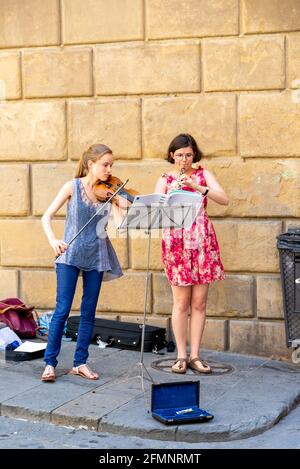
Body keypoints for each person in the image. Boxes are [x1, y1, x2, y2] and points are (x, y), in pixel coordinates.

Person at [41, 144, 123, 382]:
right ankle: (49, 363)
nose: (109, 169)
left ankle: (80, 363)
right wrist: (53, 240)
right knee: (62, 310)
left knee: (88, 312)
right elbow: (46, 217)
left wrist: (117, 202)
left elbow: (119, 227)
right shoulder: (72, 187)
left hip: (97, 255)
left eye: (111, 165)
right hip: (70, 254)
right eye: (105, 164)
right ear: (90, 165)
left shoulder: (109, 192)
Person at [155, 133, 228, 374]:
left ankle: (196, 355)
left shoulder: (203, 174)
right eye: (179, 155)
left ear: (193, 154)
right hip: (176, 244)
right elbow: (155, 211)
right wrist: (170, 195)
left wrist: (196, 186)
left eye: (188, 155)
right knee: (181, 303)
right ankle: (181, 355)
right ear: (171, 156)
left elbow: (224, 199)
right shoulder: (164, 179)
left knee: (199, 302)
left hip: (202, 243)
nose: (184, 159)